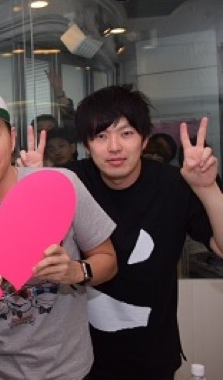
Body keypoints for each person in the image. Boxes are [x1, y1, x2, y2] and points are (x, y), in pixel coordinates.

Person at [20, 85, 223, 379]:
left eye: (126, 133)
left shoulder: (174, 184)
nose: (114, 147)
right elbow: (28, 257)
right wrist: (33, 190)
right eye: (101, 136)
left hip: (151, 355)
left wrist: (207, 187)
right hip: (75, 359)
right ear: (86, 144)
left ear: (144, 139)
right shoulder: (71, 181)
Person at [0, 88, 117, 380]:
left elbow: (108, 260)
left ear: (12, 137)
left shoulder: (59, 186)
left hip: (70, 369)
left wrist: (75, 271)